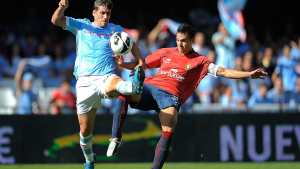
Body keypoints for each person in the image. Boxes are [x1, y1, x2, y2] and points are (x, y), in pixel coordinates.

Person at [107, 23, 267, 169]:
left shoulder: (200, 61)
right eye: (177, 40)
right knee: (125, 93)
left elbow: (224, 72)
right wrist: (123, 64)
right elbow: (142, 64)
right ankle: (116, 138)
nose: (180, 44)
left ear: (192, 40)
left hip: (170, 96)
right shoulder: (166, 52)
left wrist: (248, 74)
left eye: (183, 41)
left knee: (168, 129)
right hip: (151, 87)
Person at [51, 0, 145, 168]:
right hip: (84, 82)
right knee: (85, 129)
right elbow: (56, 21)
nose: (105, 16)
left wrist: (140, 63)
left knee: (116, 83)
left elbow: (132, 44)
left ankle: (133, 86)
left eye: (108, 13)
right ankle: (89, 160)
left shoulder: (116, 30)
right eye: (102, 13)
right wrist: (61, 8)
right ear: (94, 13)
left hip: (105, 77)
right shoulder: (81, 25)